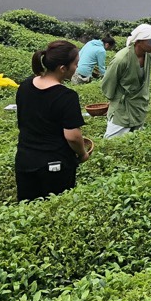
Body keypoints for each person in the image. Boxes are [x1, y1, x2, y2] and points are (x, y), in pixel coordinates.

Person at [15, 40, 92, 201]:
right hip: (54, 165)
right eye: (75, 64)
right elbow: (72, 136)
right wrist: (82, 154)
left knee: (27, 207)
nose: (77, 67)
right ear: (62, 68)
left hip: (25, 160)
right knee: (55, 207)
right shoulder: (67, 97)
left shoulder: (25, 85)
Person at [101, 23, 151, 138]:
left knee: (135, 140)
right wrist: (114, 101)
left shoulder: (149, 56)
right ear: (139, 41)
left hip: (140, 106)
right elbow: (108, 83)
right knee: (113, 141)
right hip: (122, 108)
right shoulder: (121, 59)